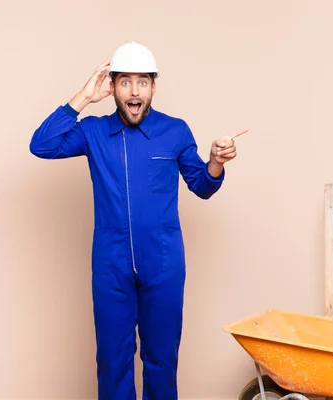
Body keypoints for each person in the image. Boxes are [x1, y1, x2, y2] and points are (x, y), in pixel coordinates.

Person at [29, 41, 247, 400]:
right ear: (112, 87)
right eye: (125, 82)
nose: (134, 91)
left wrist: (216, 162)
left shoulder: (175, 131)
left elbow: (203, 185)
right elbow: (42, 145)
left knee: (162, 360)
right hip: (110, 266)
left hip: (163, 264)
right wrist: (82, 98)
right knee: (113, 363)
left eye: (142, 82)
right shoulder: (94, 132)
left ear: (153, 88)